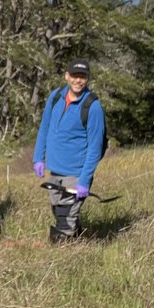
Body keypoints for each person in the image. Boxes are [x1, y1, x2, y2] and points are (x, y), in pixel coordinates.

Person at [32, 60, 106, 242]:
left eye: (83, 77)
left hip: (75, 173)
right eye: (74, 76)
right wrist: (38, 158)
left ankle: (61, 251)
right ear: (67, 76)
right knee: (59, 211)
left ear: (88, 79)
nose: (78, 80)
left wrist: (84, 181)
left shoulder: (93, 107)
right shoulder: (56, 96)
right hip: (55, 169)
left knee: (64, 221)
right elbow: (44, 128)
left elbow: (95, 149)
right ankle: (80, 240)